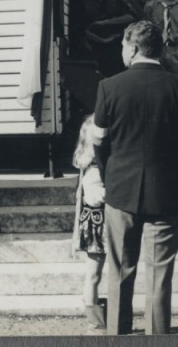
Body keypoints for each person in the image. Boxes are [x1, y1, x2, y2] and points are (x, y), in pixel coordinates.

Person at [93, 20, 178, 336]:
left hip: (121, 192)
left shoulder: (109, 87)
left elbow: (99, 142)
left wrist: (108, 177)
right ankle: (158, 339)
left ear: (132, 48)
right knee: (160, 276)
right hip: (168, 193)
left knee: (119, 272)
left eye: (122, 46)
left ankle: (118, 336)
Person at [71, 114, 107, 332]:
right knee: (93, 274)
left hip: (97, 226)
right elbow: (95, 198)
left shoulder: (91, 168)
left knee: (95, 273)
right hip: (97, 228)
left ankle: (96, 316)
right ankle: (94, 318)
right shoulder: (93, 172)